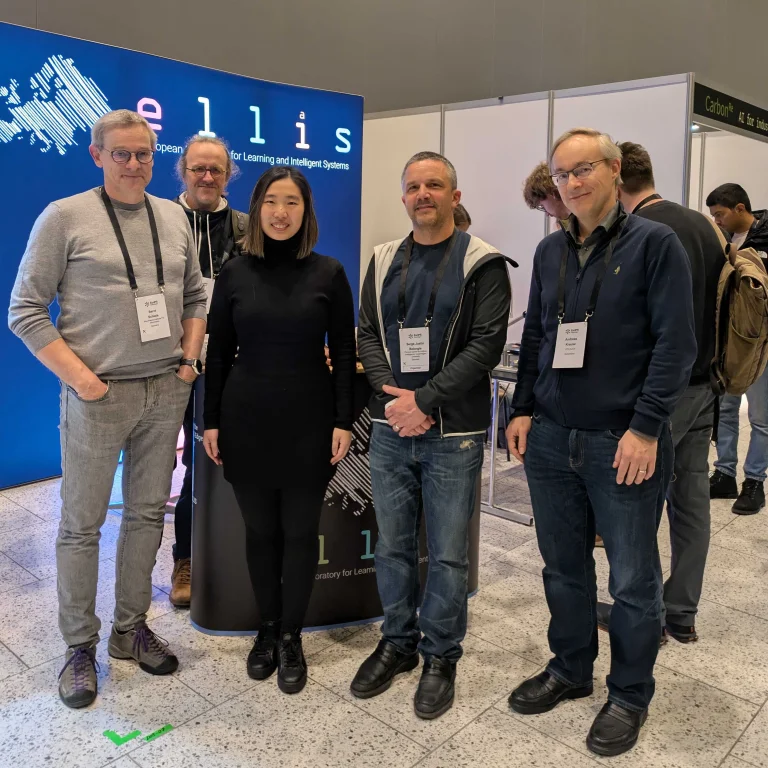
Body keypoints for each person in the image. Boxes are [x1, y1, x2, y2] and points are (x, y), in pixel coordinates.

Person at [505, 128, 696, 757]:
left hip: (624, 439)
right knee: (562, 565)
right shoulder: (548, 252)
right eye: (561, 174)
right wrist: (523, 408)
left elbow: (676, 347)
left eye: (583, 169)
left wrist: (646, 428)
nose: (572, 183)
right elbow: (536, 335)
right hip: (553, 438)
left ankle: (629, 693)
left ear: (615, 171)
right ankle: (569, 668)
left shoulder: (655, 244)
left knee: (634, 578)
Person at [8, 109, 207, 709]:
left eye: (143, 153)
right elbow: (25, 310)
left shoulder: (174, 217)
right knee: (80, 526)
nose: (133, 164)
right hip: (100, 396)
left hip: (165, 390)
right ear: (97, 156)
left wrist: (189, 362)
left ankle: (129, 630)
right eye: (121, 154)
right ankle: (78, 647)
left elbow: (196, 294)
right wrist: (85, 382)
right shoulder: (64, 217)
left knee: (147, 515)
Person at [351, 151, 511, 720]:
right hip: (392, 427)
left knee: (445, 555)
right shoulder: (382, 258)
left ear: (455, 195)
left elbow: (485, 346)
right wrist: (397, 397)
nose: (424, 194)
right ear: (403, 198)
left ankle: (441, 654)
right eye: (414, 186)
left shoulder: (483, 263)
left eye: (435, 185)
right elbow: (367, 333)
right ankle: (397, 642)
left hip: (454, 433)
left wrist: (424, 400)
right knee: (392, 545)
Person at [202, 166, 355, 695]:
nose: (281, 213)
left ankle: (293, 635)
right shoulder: (235, 273)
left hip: (309, 419)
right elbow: (217, 351)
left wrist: (342, 421)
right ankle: (266, 631)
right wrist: (211, 420)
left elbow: (346, 353)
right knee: (260, 532)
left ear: (305, 211)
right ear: (258, 208)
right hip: (246, 418)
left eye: (292, 202)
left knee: (297, 533)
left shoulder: (329, 273)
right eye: (271, 201)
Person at [591, 142, 723, 644]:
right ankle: (681, 612)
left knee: (633, 506)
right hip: (705, 385)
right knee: (690, 503)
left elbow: (664, 332)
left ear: (616, 177)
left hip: (657, 397)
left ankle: (641, 616)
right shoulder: (702, 225)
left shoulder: (645, 235)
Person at [167, 136, 248, 608]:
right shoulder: (161, 221)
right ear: (183, 170)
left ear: (227, 173)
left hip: (232, 363)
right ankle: (185, 558)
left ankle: (232, 550)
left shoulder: (244, 227)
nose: (207, 177)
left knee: (221, 460)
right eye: (198, 168)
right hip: (172, 363)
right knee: (178, 467)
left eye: (215, 169)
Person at [707, 183, 768, 514]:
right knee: (726, 410)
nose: (717, 220)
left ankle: (755, 482)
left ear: (741, 209)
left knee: (761, 417)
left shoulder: (764, 236)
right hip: (729, 340)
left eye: (720, 214)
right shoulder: (722, 241)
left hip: (761, 342)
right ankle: (725, 474)